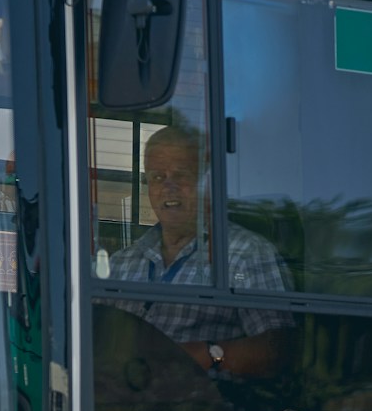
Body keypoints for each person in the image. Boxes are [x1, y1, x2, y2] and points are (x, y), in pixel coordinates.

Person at [106, 125, 291, 378]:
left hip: (201, 406)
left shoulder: (246, 253)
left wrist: (209, 355)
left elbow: (279, 348)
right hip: (117, 400)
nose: (169, 188)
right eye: (158, 177)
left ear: (204, 182)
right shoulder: (121, 263)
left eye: (181, 175)